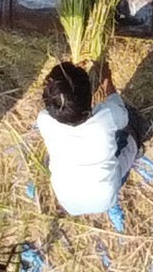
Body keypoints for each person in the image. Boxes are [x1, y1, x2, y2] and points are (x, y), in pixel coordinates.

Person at [29, 60, 136, 222]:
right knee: (131, 135)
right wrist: (106, 79)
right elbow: (123, 118)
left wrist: (70, 83)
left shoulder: (43, 120)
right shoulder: (107, 115)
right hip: (105, 199)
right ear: (90, 96)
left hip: (68, 202)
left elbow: (65, 100)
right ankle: (135, 148)